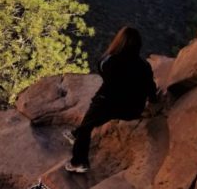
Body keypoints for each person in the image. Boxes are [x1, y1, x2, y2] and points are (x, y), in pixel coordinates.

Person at [64, 26, 158, 173]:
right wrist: (153, 102)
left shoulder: (109, 61)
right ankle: (75, 133)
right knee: (96, 114)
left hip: (108, 104)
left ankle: (79, 162)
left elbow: (102, 72)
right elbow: (151, 88)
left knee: (88, 124)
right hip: (132, 109)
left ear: (119, 42)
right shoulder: (144, 66)